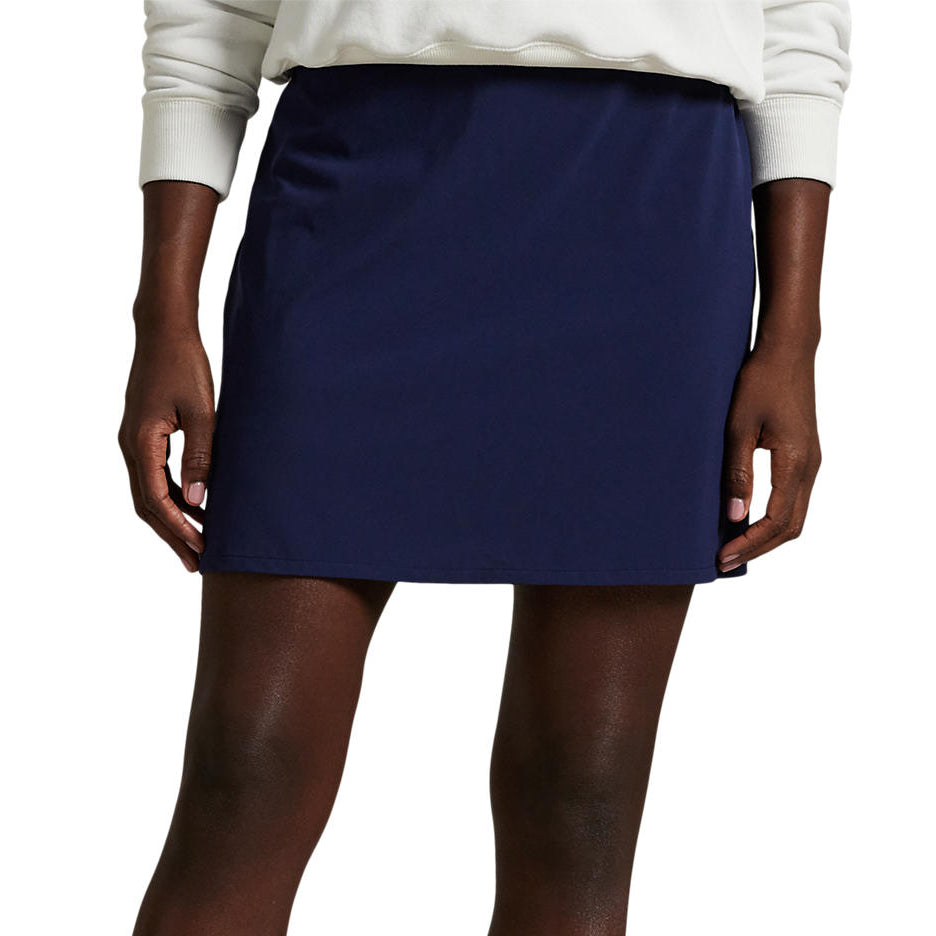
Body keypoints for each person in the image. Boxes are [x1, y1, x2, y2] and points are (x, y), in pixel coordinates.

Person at [120, 2, 853, 933]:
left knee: (581, 799)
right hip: (355, 196)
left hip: (646, 225)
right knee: (247, 773)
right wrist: (162, 316)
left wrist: (794, 338)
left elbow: (796, 28)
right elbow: (208, 17)